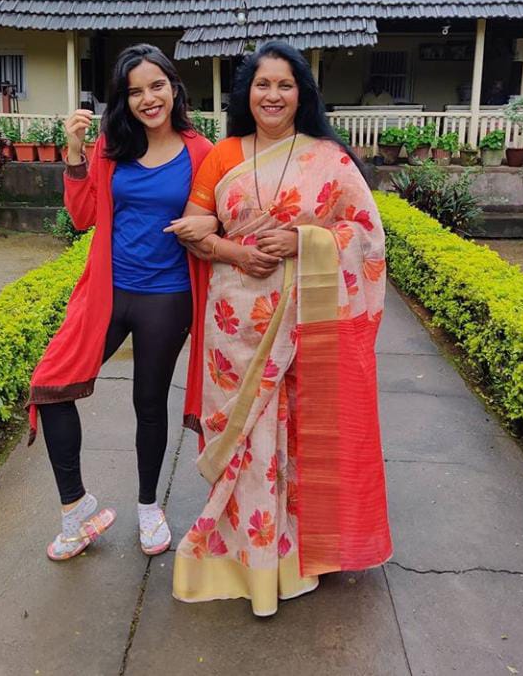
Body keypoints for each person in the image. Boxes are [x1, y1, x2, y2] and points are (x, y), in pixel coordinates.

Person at [166, 42, 392, 617]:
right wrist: (235, 253)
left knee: (301, 440)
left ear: (302, 95)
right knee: (246, 440)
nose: (272, 95)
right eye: (262, 84)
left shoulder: (330, 160)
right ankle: (241, 557)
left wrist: (303, 241)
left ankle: (299, 557)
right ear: (246, 92)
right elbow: (194, 228)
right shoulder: (222, 156)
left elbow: (367, 237)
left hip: (306, 326)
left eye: (285, 85)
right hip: (234, 327)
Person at [27, 44, 214, 562]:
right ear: (123, 100)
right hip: (109, 292)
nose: (148, 98)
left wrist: (208, 224)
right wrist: (73, 153)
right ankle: (77, 509)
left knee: (149, 404)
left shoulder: (201, 152)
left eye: (157, 86)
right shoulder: (113, 145)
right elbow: (84, 216)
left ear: (174, 88)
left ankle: (149, 506)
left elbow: (221, 213)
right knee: (50, 384)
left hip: (168, 297)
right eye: (135, 91)